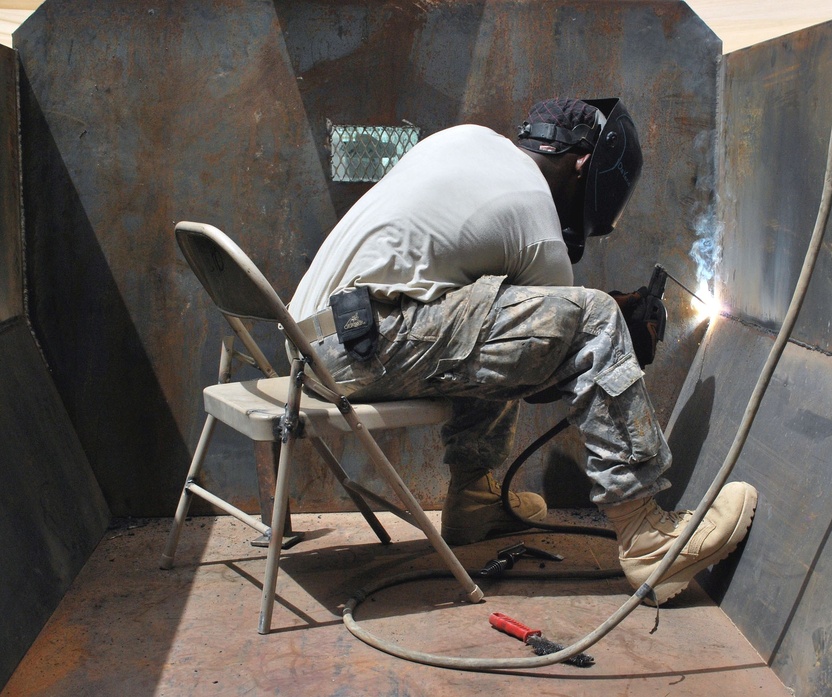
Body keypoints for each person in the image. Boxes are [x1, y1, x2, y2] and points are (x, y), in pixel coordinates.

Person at [287, 98, 757, 604]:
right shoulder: (535, 214)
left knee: (490, 307)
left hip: (309, 343)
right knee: (595, 319)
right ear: (584, 164)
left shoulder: (472, 142)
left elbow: (511, 323)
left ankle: (474, 499)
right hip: (361, 343)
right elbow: (549, 360)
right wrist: (622, 327)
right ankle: (648, 537)